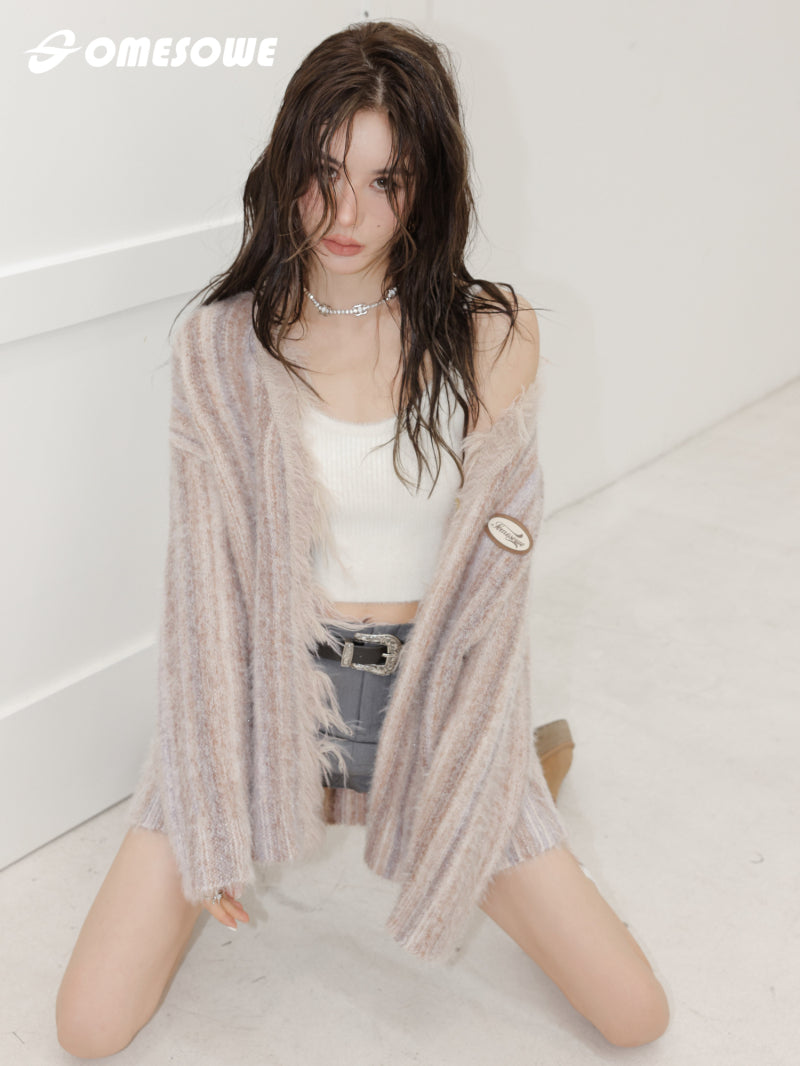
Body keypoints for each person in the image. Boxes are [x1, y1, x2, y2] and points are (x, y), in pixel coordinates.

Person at [55, 20, 669, 1058]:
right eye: (325, 172)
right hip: (267, 707)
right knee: (88, 1027)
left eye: (387, 181)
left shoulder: (493, 334)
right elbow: (203, 599)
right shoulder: (220, 346)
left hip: (437, 711)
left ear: (428, 187)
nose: (348, 213)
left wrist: (476, 771)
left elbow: (494, 590)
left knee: (634, 1015)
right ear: (287, 164)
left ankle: (523, 765)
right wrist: (209, 809)